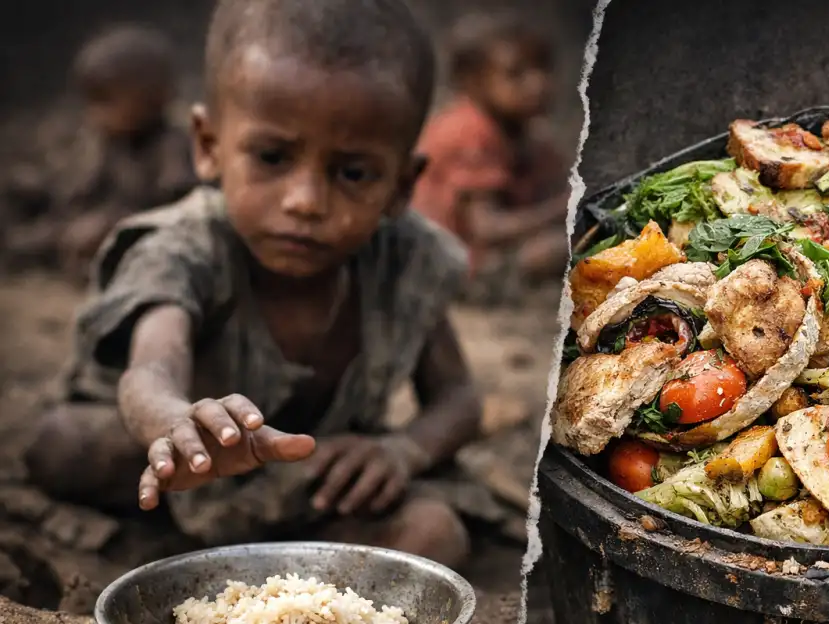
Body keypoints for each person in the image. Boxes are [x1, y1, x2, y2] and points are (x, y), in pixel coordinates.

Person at [22, 0, 482, 569]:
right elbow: (152, 368)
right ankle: (208, 526)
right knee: (63, 445)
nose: (306, 202)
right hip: (182, 462)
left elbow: (458, 399)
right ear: (207, 146)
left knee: (434, 535)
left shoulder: (405, 260)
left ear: (402, 185)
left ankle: (292, 576)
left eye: (354, 173)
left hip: (316, 473)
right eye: (272, 157)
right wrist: (173, 424)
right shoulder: (186, 246)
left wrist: (402, 451)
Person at [2, 25, 196, 282]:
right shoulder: (109, 141)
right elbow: (78, 192)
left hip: (137, 234)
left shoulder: (170, 145)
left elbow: (180, 211)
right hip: (80, 224)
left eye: (105, 101)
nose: (94, 114)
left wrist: (115, 223)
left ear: (152, 96)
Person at [410, 13, 570, 295]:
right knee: (559, 248)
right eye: (516, 74)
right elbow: (486, 229)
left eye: (543, 69)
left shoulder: (523, 134)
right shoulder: (470, 133)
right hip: (453, 265)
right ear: (472, 81)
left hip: (475, 256)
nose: (538, 84)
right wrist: (562, 209)